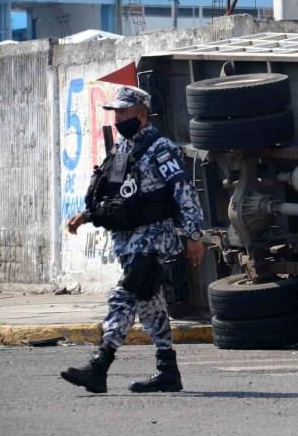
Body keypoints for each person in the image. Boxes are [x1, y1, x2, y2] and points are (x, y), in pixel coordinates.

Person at [60, 85, 204, 394]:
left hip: (152, 240)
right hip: (127, 241)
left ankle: (99, 366)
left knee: (123, 297)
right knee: (151, 306)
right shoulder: (121, 148)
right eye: (116, 112)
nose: (118, 117)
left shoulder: (160, 147)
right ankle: (169, 371)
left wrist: (193, 234)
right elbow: (113, 193)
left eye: (124, 111)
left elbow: (184, 190)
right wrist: (86, 216)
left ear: (141, 113)